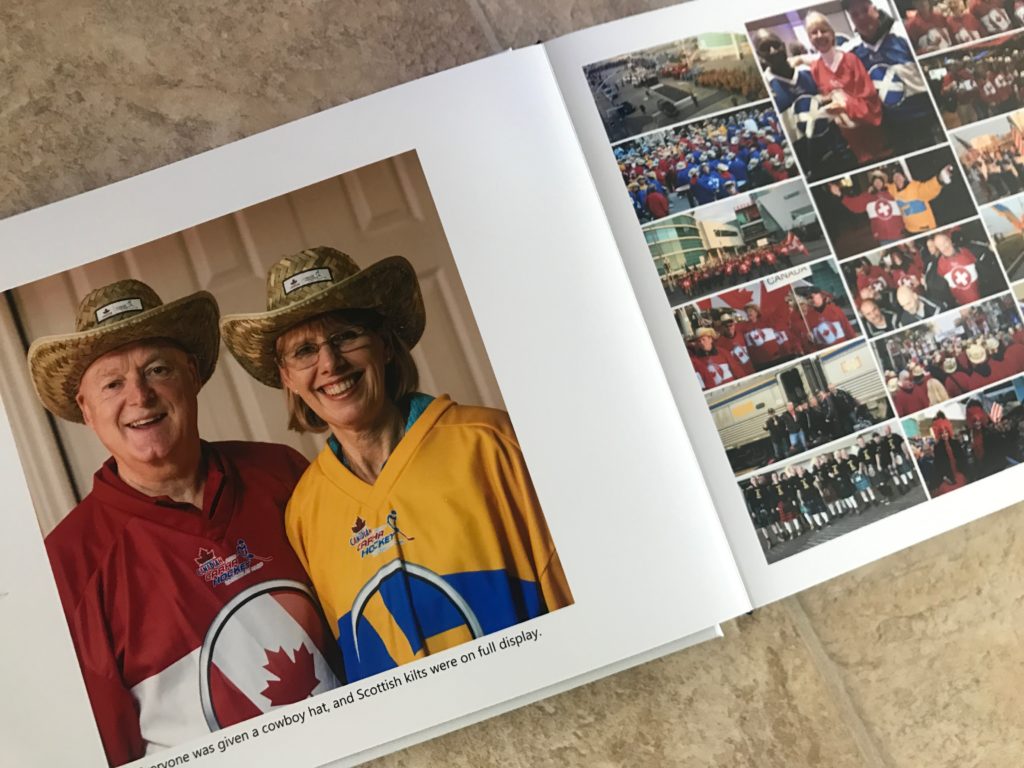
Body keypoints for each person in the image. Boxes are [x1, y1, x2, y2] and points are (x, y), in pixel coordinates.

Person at [220, 247, 573, 683]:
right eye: (305, 350)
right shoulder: (305, 513)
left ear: (385, 345)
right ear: (287, 377)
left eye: (346, 336)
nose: (330, 364)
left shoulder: (492, 443)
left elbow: (576, 600)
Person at [28, 280, 342, 767]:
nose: (139, 395)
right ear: (86, 410)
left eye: (157, 369)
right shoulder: (66, 565)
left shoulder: (281, 475)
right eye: (112, 383)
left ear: (192, 376)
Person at [805, 11, 886, 164]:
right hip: (852, 139)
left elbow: (870, 99)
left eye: (824, 30)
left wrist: (844, 104)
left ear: (832, 33)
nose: (820, 35)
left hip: (871, 133)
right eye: (813, 33)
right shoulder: (815, 68)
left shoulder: (850, 60)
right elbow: (827, 98)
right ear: (809, 39)